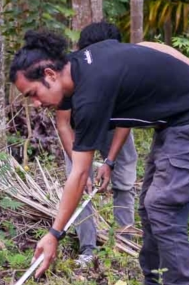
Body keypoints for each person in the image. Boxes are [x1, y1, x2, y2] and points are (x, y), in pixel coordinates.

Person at [10, 30, 189, 285]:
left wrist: (54, 234)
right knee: (149, 205)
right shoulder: (79, 65)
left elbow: (78, 174)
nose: (36, 104)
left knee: (162, 205)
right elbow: (148, 46)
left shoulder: (91, 94)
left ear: (49, 74)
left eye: (33, 94)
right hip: (175, 123)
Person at [56, 22, 137, 266]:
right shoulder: (70, 72)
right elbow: (63, 123)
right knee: (78, 186)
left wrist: (110, 161)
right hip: (82, 133)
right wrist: (80, 168)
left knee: (124, 184)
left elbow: (126, 120)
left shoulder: (121, 71)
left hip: (115, 129)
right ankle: (87, 249)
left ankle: (125, 245)